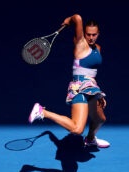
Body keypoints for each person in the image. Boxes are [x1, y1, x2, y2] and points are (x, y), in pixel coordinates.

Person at [28, 14, 110, 148]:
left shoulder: (98, 48)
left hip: (91, 86)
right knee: (77, 130)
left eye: (94, 34)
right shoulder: (80, 43)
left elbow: (91, 73)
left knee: (100, 119)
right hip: (78, 88)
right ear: (84, 34)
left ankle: (90, 140)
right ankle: (42, 111)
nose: (91, 37)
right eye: (88, 34)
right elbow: (77, 18)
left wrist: (97, 93)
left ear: (98, 34)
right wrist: (68, 20)